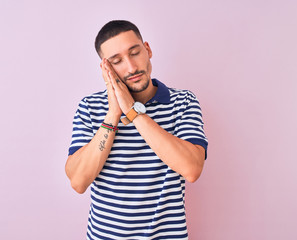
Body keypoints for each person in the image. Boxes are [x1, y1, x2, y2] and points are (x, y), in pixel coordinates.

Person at [65, 20, 208, 240]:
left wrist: (132, 112)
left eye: (134, 53)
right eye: (117, 61)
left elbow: (191, 169)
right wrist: (113, 113)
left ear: (147, 50)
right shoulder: (90, 107)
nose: (131, 67)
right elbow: (78, 181)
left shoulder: (183, 102)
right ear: (106, 68)